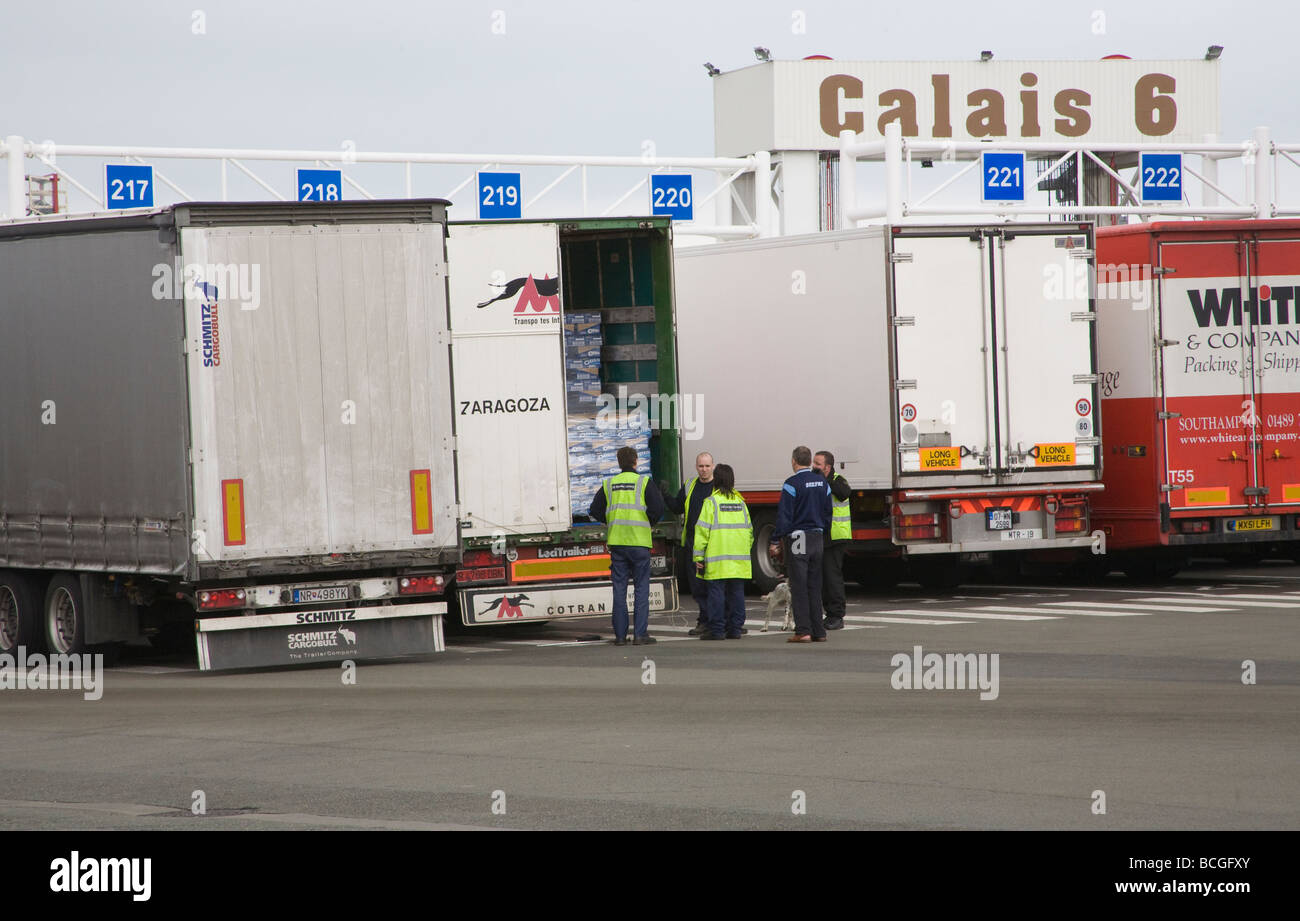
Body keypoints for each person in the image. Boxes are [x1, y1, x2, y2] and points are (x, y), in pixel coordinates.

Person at [589, 445, 665, 646]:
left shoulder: (610, 484)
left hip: (617, 544)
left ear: (618, 461)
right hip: (639, 544)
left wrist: (611, 520)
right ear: (636, 461)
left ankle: (620, 637)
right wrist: (648, 522)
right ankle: (640, 635)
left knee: (619, 590)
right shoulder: (644, 483)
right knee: (641, 589)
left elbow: (594, 509)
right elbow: (658, 509)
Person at [769, 445, 832, 643]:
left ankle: (803, 630)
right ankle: (818, 631)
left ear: (794, 461)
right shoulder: (823, 483)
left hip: (798, 538)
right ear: (809, 460)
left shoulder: (791, 484)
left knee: (798, 585)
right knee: (814, 585)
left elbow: (785, 516)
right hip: (817, 537)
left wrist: (775, 539)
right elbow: (828, 511)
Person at [692, 464, 752, 640]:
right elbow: (750, 532)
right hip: (739, 559)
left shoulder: (711, 502)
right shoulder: (741, 503)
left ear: (715, 480)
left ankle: (717, 630)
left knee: (716, 594)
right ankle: (735, 629)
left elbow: (701, 532)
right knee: (736, 594)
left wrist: (698, 556)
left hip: (717, 559)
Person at [665, 452, 718, 636]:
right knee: (697, 586)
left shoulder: (718, 487)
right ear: (697, 467)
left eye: (707, 466)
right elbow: (677, 507)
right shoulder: (690, 485)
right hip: (692, 544)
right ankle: (705, 620)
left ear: (713, 466)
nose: (704, 470)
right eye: (701, 466)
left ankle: (712, 621)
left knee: (713, 586)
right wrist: (665, 495)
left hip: (713, 544)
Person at [813, 450, 852, 630]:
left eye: (818, 464)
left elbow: (845, 492)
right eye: (813, 463)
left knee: (832, 576)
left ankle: (836, 615)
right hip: (821, 535)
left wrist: (825, 480)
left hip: (836, 536)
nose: (814, 466)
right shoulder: (815, 481)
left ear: (827, 467)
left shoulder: (837, 480)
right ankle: (828, 613)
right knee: (822, 577)